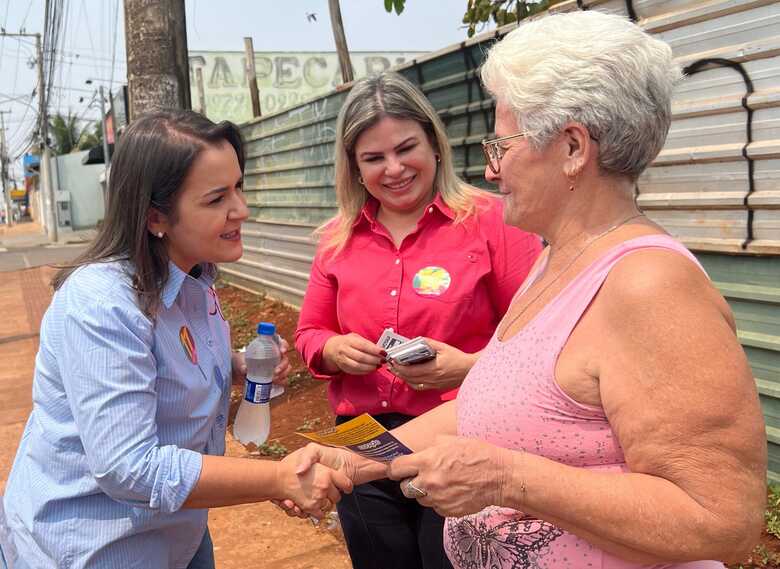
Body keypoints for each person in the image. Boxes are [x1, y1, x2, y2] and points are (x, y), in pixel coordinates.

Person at [293, 11, 767, 568]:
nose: (492, 172)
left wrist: (506, 478)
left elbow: (720, 519)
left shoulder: (650, 287)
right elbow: (487, 406)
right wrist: (356, 459)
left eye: (502, 145)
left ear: (572, 148)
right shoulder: (556, 262)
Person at [0, 110, 352, 569]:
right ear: (155, 217)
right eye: (216, 198)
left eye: (239, 187)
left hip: (177, 536)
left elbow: (167, 361)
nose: (241, 209)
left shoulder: (195, 280)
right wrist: (277, 478)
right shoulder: (101, 304)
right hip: (93, 549)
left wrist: (235, 364)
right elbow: (129, 467)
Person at [295, 72, 542, 569]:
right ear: (353, 167)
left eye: (406, 148)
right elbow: (309, 334)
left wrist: (468, 366)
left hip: (463, 435)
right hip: (360, 436)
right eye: (373, 158)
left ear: (434, 143)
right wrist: (333, 349)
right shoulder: (336, 240)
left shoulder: (493, 222)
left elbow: (537, 341)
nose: (394, 169)